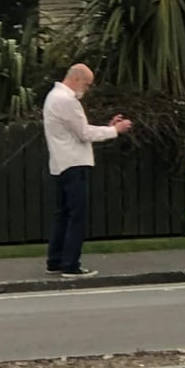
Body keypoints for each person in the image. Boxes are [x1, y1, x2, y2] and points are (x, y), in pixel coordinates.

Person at [42, 63, 131, 278]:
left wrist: (107, 127)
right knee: (76, 216)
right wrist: (114, 130)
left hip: (60, 163)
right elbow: (84, 133)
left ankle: (55, 260)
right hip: (74, 164)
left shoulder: (53, 97)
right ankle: (71, 264)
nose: (87, 89)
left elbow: (77, 131)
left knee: (63, 214)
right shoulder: (67, 101)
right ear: (76, 79)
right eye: (87, 84)